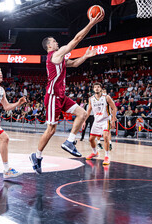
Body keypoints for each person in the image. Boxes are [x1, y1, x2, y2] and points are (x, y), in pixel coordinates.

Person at [29, 11, 104, 174]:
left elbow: (75, 64)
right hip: (53, 97)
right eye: (54, 41)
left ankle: (70, 141)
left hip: (62, 96)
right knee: (51, 130)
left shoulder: (60, 59)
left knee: (83, 114)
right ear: (49, 46)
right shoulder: (54, 55)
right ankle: (37, 155)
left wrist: (86, 56)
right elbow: (76, 40)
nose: (57, 43)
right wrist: (91, 24)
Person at [84, 82, 117, 165]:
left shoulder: (106, 97)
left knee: (105, 137)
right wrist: (84, 121)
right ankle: (95, 152)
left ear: (101, 89)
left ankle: (106, 156)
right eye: (95, 87)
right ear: (93, 89)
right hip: (97, 120)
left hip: (106, 119)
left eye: (98, 87)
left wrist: (113, 120)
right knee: (91, 139)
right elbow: (88, 111)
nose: (97, 88)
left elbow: (114, 108)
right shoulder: (91, 99)